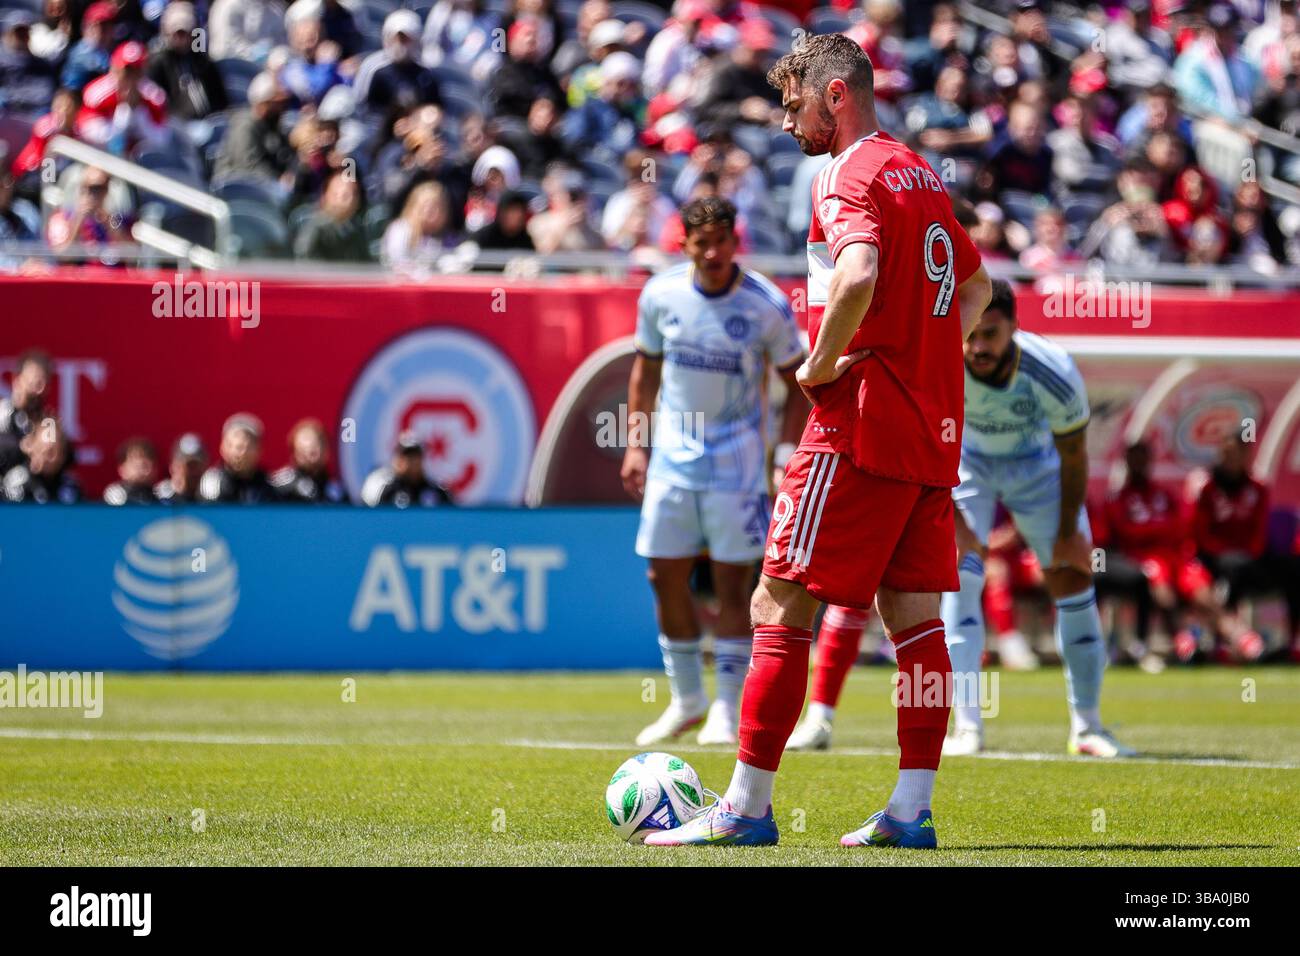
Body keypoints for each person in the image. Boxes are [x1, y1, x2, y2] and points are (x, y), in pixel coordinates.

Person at [646, 33, 991, 851]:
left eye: (795, 102)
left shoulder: (846, 171)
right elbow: (976, 289)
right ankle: (911, 811)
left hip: (859, 422)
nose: (788, 121)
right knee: (916, 624)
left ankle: (744, 808)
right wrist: (925, 359)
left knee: (778, 601)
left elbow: (860, 272)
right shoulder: (921, 172)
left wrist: (825, 361)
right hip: (930, 430)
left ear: (837, 95)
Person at [621, 195, 807, 749]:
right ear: (685, 244)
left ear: (735, 241)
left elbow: (796, 381)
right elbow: (643, 376)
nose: (712, 252)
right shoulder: (661, 294)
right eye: (701, 243)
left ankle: (727, 706)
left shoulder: (765, 305)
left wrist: (784, 453)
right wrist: (636, 446)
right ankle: (686, 700)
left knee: (734, 583)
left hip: (737, 462)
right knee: (662, 573)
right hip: (674, 460)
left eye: (721, 241)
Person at [943, 281, 1129, 759]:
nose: (978, 346)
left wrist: (1068, 532)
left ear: (1014, 329)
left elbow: (1073, 456)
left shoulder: (1053, 372)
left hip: (1038, 468)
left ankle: (1087, 727)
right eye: (971, 334)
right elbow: (927, 441)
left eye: (991, 334)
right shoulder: (940, 361)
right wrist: (959, 524)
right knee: (958, 578)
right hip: (965, 466)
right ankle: (967, 728)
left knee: (1073, 579)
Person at [146, 2, 228, 121]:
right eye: (178, 34)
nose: (182, 39)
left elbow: (220, 100)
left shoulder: (203, 63)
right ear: (167, 33)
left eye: (186, 33)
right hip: (175, 125)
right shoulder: (157, 64)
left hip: (208, 122)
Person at [213, 71, 294, 182]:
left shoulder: (273, 125)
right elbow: (248, 166)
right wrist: (278, 180)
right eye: (278, 103)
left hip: (265, 187)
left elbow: (284, 157)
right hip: (238, 188)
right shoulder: (245, 126)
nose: (283, 108)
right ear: (264, 103)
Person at [199, 413, 278, 503]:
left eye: (247, 447)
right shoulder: (212, 482)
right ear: (222, 448)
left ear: (259, 450)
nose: (241, 453)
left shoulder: (270, 483)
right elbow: (212, 514)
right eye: (234, 446)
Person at [360, 431, 452, 507]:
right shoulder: (389, 491)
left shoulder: (436, 492)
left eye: (416, 456)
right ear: (397, 460)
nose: (412, 462)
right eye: (407, 457)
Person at [3, 415, 80, 503]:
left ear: (63, 456)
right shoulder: (17, 486)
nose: (50, 459)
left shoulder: (70, 488)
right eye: (46, 452)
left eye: (55, 453)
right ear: (31, 449)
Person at [0, 349, 52, 476]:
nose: (39, 389)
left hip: (34, 491)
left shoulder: (47, 421)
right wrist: (22, 446)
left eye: (44, 381)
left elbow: (64, 455)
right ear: (17, 379)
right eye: (34, 381)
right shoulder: (4, 413)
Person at [270, 418, 346, 503]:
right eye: (302, 450)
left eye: (313, 451)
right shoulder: (279, 486)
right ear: (294, 453)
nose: (308, 454)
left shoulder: (337, 490)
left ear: (326, 450)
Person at [0, 9, 58, 115]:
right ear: (7, 34)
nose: (22, 37)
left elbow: (46, 93)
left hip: (34, 116)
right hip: (8, 116)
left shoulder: (42, 64)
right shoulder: (2, 61)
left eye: (25, 32)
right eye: (18, 33)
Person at [103, 436, 158, 504]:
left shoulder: (163, 497)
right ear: (121, 469)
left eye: (146, 459)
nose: (140, 463)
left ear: (155, 468)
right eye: (134, 458)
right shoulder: (114, 497)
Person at [155, 432, 207, 503]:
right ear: (173, 467)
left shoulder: (209, 495)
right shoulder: (160, 497)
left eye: (196, 465)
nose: (193, 472)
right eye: (188, 466)